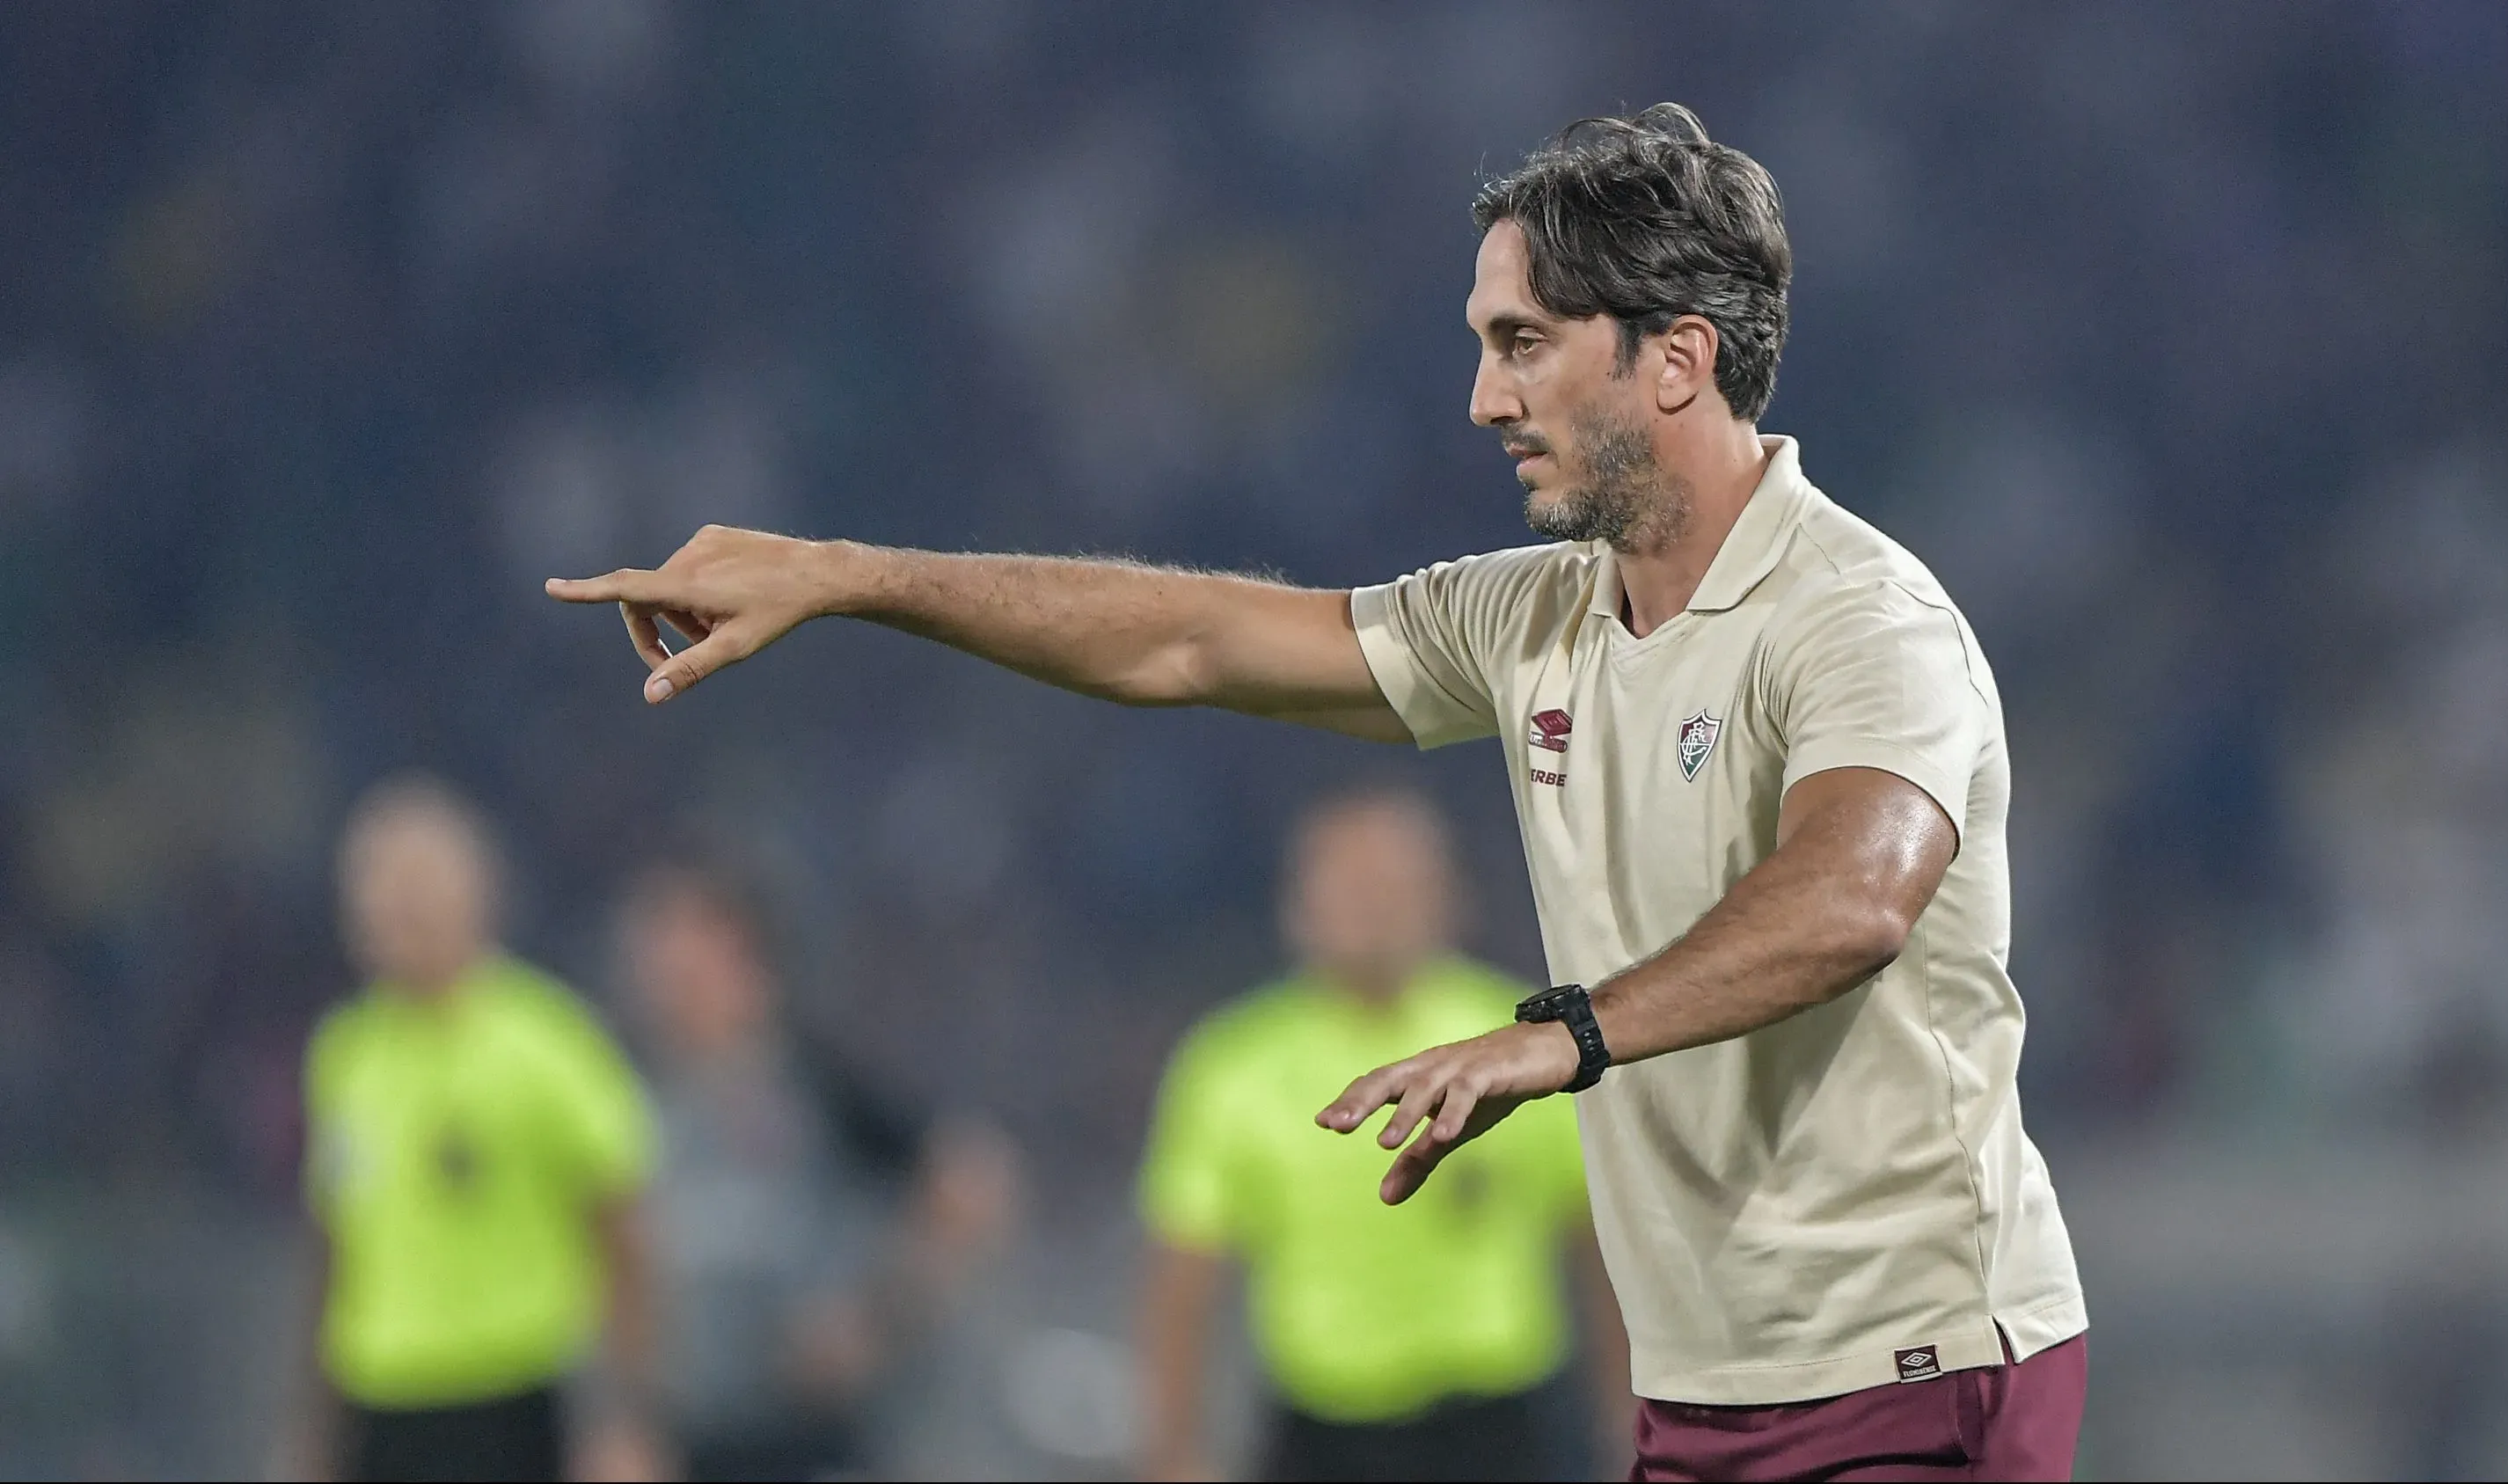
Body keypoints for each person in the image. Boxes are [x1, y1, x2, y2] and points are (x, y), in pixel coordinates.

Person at [548, 102, 2089, 1481]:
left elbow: (1856, 893)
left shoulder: (1859, 616)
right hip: (1707, 1394)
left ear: (1676, 356)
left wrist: (1561, 1035)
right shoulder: (1535, 615)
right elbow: (1191, 639)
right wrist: (849, 576)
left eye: (1527, 342)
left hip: (1911, 1370)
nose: (1486, 396)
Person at [1137, 788, 1627, 1482]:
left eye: (1393, 887)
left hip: (1505, 1423)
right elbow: (1182, 1281)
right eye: (1347, 886)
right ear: (1298, 904)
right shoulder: (1232, 1065)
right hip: (1327, 1426)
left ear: (1449, 897)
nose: (1372, 910)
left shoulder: (1518, 1046)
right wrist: (1173, 1455)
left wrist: (1629, 1419)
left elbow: (1600, 1243)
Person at [289, 776, 667, 1483]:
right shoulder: (344, 1053)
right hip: (382, 1399)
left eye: (418, 884)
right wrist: (315, 1436)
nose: (393, 906)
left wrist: (626, 1422)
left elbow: (627, 1243)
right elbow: (335, 1250)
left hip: (513, 1396)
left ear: (477, 894)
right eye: (376, 888)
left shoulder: (550, 1044)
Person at [614, 859, 1018, 1482]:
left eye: (691, 952)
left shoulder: (814, 1084)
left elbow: (973, 1180)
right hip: (684, 1437)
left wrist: (879, 1317)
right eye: (658, 951)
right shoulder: (621, 1094)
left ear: (749, 959)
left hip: (806, 1435)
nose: (669, 973)